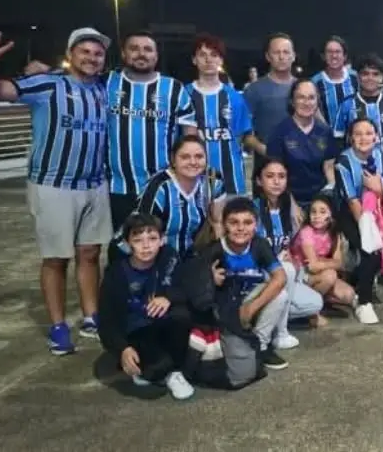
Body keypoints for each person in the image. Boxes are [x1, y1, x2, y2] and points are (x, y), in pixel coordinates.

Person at [0, 28, 112, 354]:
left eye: (98, 54)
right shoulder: (48, 84)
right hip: (53, 184)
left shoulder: (104, 90)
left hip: (93, 182)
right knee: (55, 258)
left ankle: (92, 315)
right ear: (71, 54)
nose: (91, 58)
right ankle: (58, 325)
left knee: (90, 254)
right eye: (85, 52)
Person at [105, 30, 198, 232]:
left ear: (156, 56)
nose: (141, 54)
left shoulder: (173, 88)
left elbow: (190, 136)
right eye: (134, 48)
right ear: (124, 54)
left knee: (161, 245)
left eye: (148, 49)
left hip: (162, 185)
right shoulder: (108, 83)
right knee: (122, 248)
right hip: (118, 186)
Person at [98, 213, 194, 399]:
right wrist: (122, 349)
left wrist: (168, 297)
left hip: (163, 326)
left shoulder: (169, 258)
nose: (146, 245)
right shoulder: (116, 274)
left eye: (152, 238)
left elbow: (186, 288)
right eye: (138, 239)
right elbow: (106, 320)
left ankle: (173, 369)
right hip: (136, 331)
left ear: (162, 240)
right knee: (155, 372)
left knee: (182, 316)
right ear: (127, 243)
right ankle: (157, 366)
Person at [193, 197, 291, 370]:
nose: (240, 228)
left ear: (256, 225)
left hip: (249, 303)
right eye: (234, 222)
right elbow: (198, 291)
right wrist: (209, 280)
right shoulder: (214, 250)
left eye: (247, 223)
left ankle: (261, 344)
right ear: (224, 225)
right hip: (224, 309)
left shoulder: (259, 245)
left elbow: (280, 277)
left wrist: (251, 308)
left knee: (280, 294)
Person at [252, 157, 323, 340]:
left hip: (282, 276)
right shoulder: (252, 209)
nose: (276, 181)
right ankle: (280, 332)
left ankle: (269, 316)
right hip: (258, 274)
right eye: (270, 176)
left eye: (281, 176)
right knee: (287, 270)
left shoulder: (288, 209)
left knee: (315, 303)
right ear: (259, 180)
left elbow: (289, 245)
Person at [187, 33, 264, 196]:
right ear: (194, 60)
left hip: (232, 179)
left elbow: (245, 135)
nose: (209, 60)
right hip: (192, 180)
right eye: (203, 55)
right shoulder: (184, 95)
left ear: (221, 61)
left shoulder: (234, 97)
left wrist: (266, 149)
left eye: (214, 55)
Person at [334, 118, 383, 325]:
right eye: (358, 134)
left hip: (379, 211)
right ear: (351, 137)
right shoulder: (343, 162)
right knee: (371, 252)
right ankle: (364, 302)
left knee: (382, 252)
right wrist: (368, 230)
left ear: (376, 137)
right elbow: (351, 200)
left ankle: (357, 281)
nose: (363, 138)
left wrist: (378, 189)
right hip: (352, 213)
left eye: (368, 133)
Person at [132, 135, 226, 261]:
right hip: (153, 257)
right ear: (173, 160)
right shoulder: (159, 186)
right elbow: (142, 232)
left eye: (199, 157)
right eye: (185, 157)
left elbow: (218, 224)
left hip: (193, 256)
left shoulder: (213, 181)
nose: (193, 162)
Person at [266, 79, 340, 208]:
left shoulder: (325, 131)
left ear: (317, 101)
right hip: (289, 200)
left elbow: (329, 167)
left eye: (311, 98)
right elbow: (275, 175)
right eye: (301, 97)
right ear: (292, 101)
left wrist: (329, 199)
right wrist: (291, 206)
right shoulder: (280, 132)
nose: (306, 103)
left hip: (319, 199)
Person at [291, 196, 357, 319]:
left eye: (322, 212)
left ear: (331, 216)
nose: (317, 216)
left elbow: (339, 263)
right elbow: (312, 268)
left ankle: (322, 300)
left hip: (321, 272)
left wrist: (321, 262)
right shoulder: (306, 232)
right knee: (330, 275)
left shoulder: (334, 233)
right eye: (313, 212)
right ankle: (311, 308)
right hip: (302, 275)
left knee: (349, 295)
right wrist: (327, 263)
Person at [333, 53, 383, 158]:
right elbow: (338, 139)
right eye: (365, 73)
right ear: (358, 76)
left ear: (382, 77)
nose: (370, 78)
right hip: (356, 168)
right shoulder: (347, 105)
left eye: (376, 74)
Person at [244, 33, 298, 165]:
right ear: (268, 56)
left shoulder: (304, 88)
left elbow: (318, 125)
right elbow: (244, 133)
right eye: (276, 52)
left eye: (286, 52)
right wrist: (265, 150)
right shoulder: (254, 90)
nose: (281, 57)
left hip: (300, 164)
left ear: (293, 56)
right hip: (266, 165)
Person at [310, 36, 357, 126]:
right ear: (323, 56)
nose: (334, 56)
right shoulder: (315, 82)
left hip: (355, 136)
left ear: (345, 56)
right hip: (326, 136)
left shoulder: (355, 77)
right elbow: (313, 110)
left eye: (338, 52)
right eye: (329, 52)